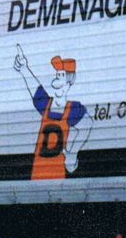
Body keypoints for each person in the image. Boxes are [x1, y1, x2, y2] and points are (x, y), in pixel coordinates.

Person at [14, 45, 89, 179]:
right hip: (38, 170)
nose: (57, 78)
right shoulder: (46, 104)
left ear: (68, 82)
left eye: (61, 75)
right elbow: (35, 88)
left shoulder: (71, 109)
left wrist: (73, 153)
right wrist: (24, 68)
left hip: (57, 171)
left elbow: (87, 124)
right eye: (57, 75)